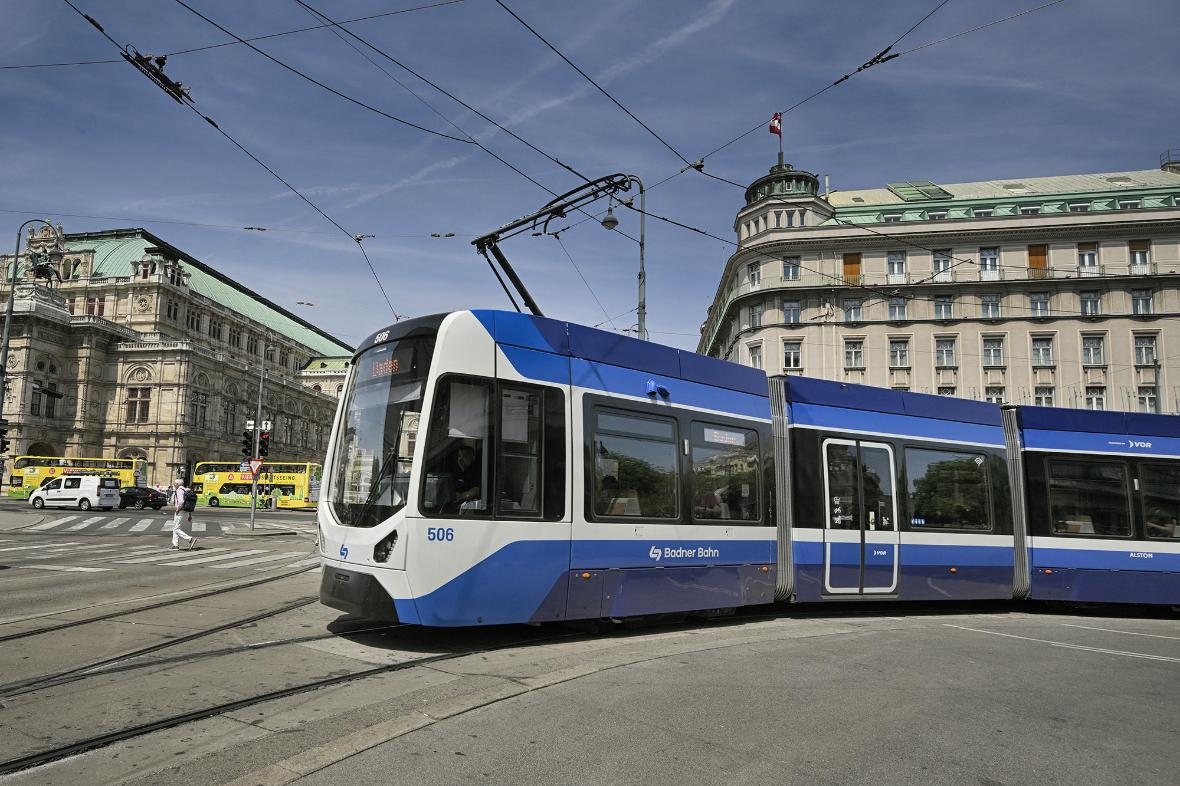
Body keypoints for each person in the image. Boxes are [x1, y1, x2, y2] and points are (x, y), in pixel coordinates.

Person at [170, 478, 197, 551]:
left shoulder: (179, 490)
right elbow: (188, 503)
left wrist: (177, 510)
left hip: (180, 511)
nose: (174, 485)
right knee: (176, 527)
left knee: (176, 528)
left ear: (177, 484)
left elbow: (181, 502)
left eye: (175, 484)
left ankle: (190, 538)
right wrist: (190, 515)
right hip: (186, 511)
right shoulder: (186, 490)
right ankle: (175, 545)